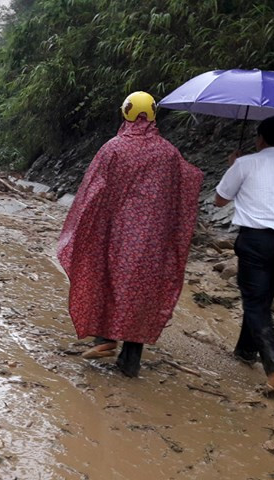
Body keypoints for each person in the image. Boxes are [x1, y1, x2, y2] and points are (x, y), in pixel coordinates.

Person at [57, 91, 203, 377]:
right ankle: (130, 360)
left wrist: (83, 228)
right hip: (154, 240)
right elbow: (188, 183)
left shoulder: (113, 148)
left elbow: (92, 192)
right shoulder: (169, 153)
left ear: (125, 112)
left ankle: (105, 337)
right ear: (152, 114)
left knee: (110, 282)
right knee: (143, 294)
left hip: (118, 236)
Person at [215, 115, 274, 397]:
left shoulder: (245, 163)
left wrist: (232, 167)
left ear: (260, 137)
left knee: (254, 302)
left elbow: (220, 199)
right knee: (263, 297)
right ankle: (246, 350)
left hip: (256, 240)